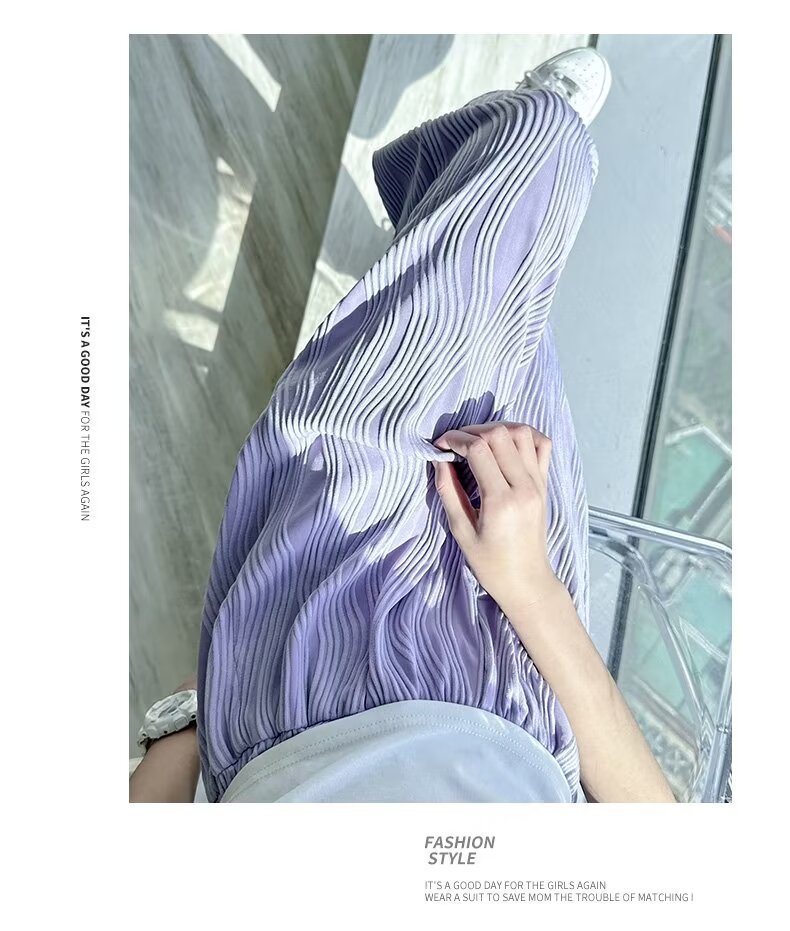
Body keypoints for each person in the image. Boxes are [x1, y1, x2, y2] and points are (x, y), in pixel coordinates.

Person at [130, 47, 676, 804]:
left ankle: (475, 176)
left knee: (529, 158)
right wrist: (532, 587)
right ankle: (446, 193)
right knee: (501, 323)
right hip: (510, 681)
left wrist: (194, 715)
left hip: (297, 688)